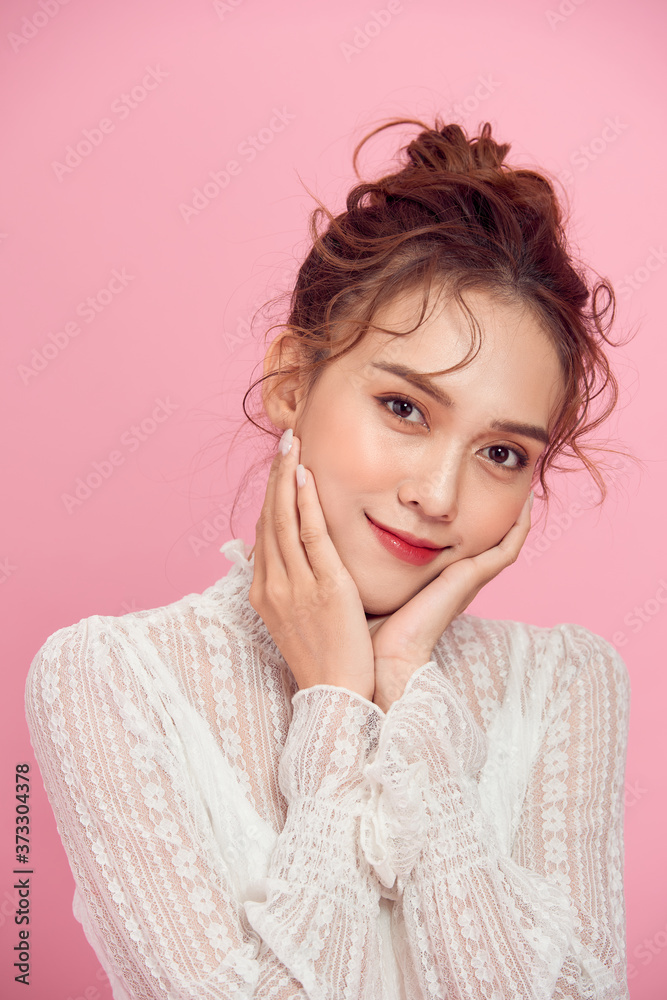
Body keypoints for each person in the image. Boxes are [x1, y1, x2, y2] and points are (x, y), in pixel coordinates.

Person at [25, 118, 630, 999]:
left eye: (501, 453)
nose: (437, 494)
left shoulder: (566, 682)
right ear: (290, 382)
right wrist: (336, 703)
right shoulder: (112, 678)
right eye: (403, 407)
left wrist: (405, 674)